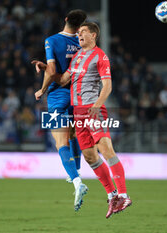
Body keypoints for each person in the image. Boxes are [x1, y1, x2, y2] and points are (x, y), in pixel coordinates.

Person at [36, 22, 132, 218]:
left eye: (83, 32)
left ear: (94, 35)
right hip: (78, 114)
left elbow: (107, 86)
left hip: (93, 110)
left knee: (105, 149)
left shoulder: (100, 56)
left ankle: (123, 194)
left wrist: (97, 105)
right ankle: (112, 194)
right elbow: (63, 80)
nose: (79, 34)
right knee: (89, 156)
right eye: (78, 32)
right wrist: (46, 68)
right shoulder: (77, 57)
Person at [32, 9, 88, 212]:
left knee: (60, 141)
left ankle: (77, 182)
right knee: (74, 134)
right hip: (79, 96)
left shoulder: (52, 40)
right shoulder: (84, 43)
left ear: (65, 19)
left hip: (57, 96)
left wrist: (42, 89)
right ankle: (78, 168)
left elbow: (53, 71)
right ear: (81, 25)